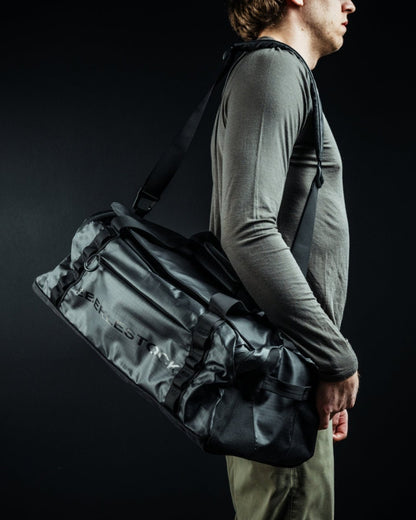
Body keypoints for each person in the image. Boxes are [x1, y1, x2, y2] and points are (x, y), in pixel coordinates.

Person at [208, 1, 360, 518]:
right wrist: (336, 358)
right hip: (276, 377)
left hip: (292, 377)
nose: (350, 3)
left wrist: (323, 369)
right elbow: (247, 232)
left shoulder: (278, 72)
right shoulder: (273, 68)